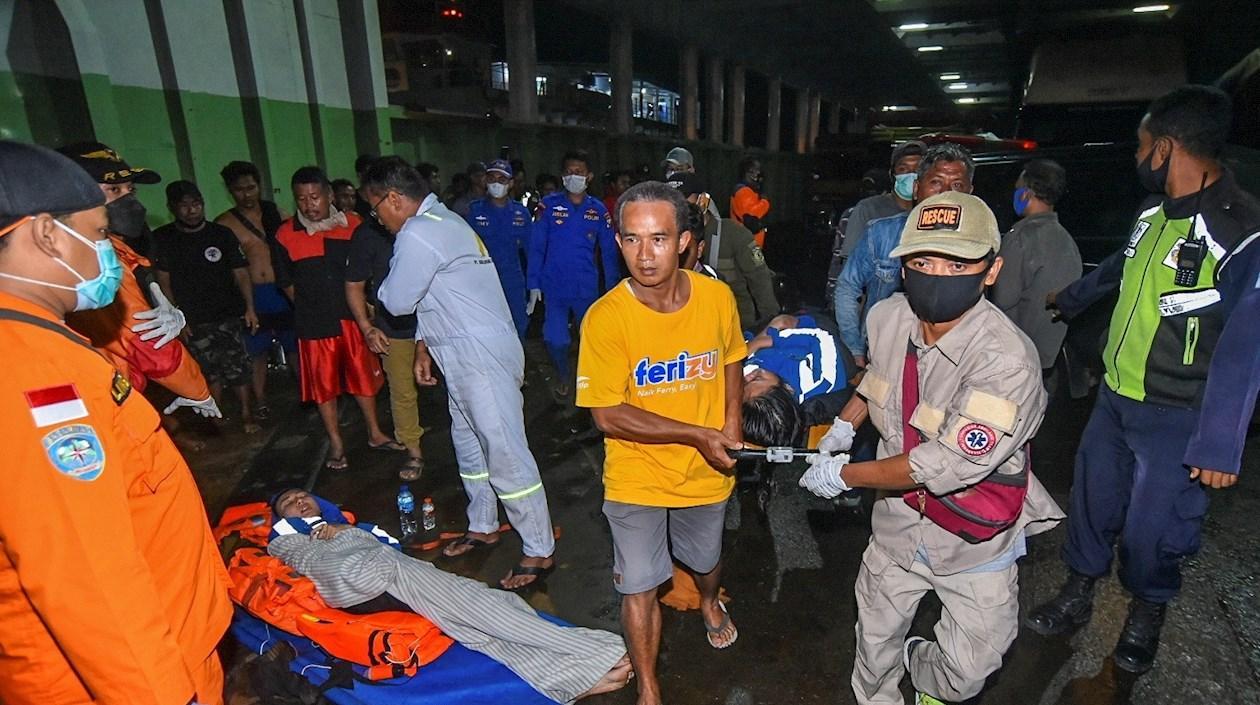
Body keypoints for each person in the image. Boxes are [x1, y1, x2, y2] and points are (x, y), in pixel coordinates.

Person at [1027, 85, 1260, 674]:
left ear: (1165, 148)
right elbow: (1117, 270)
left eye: (1140, 146)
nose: (1137, 158)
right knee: (1091, 505)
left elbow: (1247, 342)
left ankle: (1147, 610)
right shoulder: (1151, 216)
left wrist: (1220, 443)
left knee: (1153, 532)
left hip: (1179, 414)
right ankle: (1079, 590)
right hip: (1115, 400)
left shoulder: (1242, 231)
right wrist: (1068, 297)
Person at [801, 191, 1063, 705]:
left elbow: (943, 462)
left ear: (990, 271)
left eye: (957, 262)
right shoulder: (888, 318)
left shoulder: (1006, 360)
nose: (937, 274)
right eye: (922, 260)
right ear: (902, 267)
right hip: (897, 527)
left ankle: (926, 672)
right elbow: (876, 382)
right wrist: (843, 429)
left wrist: (845, 475)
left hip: (973, 541)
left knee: (971, 667)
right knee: (873, 650)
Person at [0, 140, 232, 705]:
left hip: (162, 641)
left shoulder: (47, 340)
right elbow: (86, 579)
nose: (109, 251)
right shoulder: (34, 375)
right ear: (47, 234)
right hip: (137, 673)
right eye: (100, 233)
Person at [576, 181, 746, 705]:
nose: (644, 255)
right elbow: (606, 415)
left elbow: (732, 357)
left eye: (658, 239)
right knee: (639, 584)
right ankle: (649, 686)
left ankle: (710, 600)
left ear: (686, 242)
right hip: (636, 473)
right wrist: (696, 432)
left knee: (706, 558)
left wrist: (732, 419)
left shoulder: (717, 297)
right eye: (631, 240)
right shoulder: (606, 318)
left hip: (706, 471)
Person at [369, 157, 557, 590]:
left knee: (504, 451)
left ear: (394, 198)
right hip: (464, 350)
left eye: (376, 208)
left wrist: (380, 292)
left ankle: (539, 548)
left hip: (478, 354)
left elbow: (397, 300)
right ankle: (483, 524)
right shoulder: (445, 221)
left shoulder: (420, 230)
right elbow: (442, 294)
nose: (377, 218)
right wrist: (424, 346)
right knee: (470, 447)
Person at [268, 488, 631, 703]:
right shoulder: (289, 538)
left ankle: (570, 679)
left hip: (382, 572)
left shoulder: (343, 526)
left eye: (304, 496)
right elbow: (307, 558)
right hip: (361, 575)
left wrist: (345, 531)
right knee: (481, 606)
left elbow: (386, 545)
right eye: (289, 502)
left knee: (478, 620)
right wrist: (337, 535)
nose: (300, 502)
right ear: (280, 518)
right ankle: (605, 651)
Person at [58, 142, 218, 420]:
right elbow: (146, 341)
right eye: (114, 190)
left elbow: (137, 265)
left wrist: (157, 293)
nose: (130, 201)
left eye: (130, 190)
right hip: (94, 399)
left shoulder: (106, 247)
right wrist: (197, 390)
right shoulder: (86, 259)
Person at [273, 166, 398, 471]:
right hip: (314, 324)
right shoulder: (286, 234)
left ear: (329, 195)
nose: (309, 205)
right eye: (301, 199)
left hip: (352, 319)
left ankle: (375, 433)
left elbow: (369, 270)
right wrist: (308, 305)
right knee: (323, 387)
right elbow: (286, 282)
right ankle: (337, 445)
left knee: (363, 378)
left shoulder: (353, 225)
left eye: (315, 197)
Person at [835, 142, 975, 368]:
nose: (946, 193)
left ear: (970, 191)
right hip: (883, 354)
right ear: (917, 188)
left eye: (957, 185)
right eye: (936, 182)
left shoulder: (979, 242)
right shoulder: (882, 233)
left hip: (950, 360)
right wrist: (854, 348)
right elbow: (847, 287)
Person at [153, 180, 260, 432]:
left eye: (196, 204)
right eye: (185, 205)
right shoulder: (165, 239)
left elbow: (241, 273)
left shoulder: (220, 234)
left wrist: (250, 307)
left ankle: (246, 414)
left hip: (228, 313)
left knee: (237, 367)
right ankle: (215, 417)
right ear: (172, 208)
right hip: (193, 318)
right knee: (207, 370)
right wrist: (177, 319)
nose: (192, 210)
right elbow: (163, 283)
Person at [344, 182, 426, 480]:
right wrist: (367, 328)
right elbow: (354, 284)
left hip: (440, 323)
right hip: (397, 328)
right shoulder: (367, 235)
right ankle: (413, 450)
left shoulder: (426, 228)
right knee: (403, 390)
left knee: (459, 387)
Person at [527, 150, 620, 399]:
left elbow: (609, 253)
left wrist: (613, 290)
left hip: (586, 288)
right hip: (554, 287)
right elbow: (536, 246)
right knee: (555, 339)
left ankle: (590, 379)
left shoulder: (599, 210)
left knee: (591, 339)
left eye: (579, 173)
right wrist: (533, 283)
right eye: (568, 172)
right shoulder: (548, 206)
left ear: (589, 177)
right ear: (562, 176)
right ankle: (563, 373)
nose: (573, 177)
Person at [214, 160, 295, 419]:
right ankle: (260, 401)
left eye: (251, 188)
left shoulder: (276, 213)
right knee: (256, 352)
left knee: (295, 346)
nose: (247, 194)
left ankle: (309, 393)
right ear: (230, 190)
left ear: (259, 186)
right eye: (240, 190)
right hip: (254, 294)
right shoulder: (225, 224)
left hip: (282, 290)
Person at [990, 159, 1082, 379]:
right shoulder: (1066, 240)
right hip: (1045, 361)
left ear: (1026, 194)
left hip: (1011, 358)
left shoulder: (1022, 238)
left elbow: (1001, 298)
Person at [672, 173, 778, 330]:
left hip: (737, 327)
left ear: (703, 200)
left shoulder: (733, 234)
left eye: (683, 199)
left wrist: (771, 327)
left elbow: (760, 281)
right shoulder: (666, 239)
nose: (677, 207)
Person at [827, 142, 925, 303]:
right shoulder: (868, 209)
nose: (911, 175)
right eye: (903, 169)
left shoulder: (931, 211)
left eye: (917, 170)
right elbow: (851, 274)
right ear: (892, 174)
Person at [741, 313, 857, 447]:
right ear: (785, 389)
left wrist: (753, 344)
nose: (749, 376)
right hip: (810, 328)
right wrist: (767, 340)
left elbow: (739, 354)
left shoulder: (749, 386)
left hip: (770, 338)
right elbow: (819, 338)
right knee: (782, 321)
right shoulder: (820, 382)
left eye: (745, 384)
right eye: (758, 378)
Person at [467, 159, 532, 337]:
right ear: (485, 181)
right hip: (484, 280)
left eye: (502, 180)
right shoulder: (474, 211)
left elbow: (531, 252)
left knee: (519, 325)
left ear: (511, 183)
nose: (496, 183)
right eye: (492, 178)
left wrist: (534, 285)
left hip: (513, 280)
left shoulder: (521, 213)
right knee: (488, 329)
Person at [730, 156, 770, 248]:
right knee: (757, 262)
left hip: (749, 243)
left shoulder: (748, 190)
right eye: (757, 170)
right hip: (747, 244)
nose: (760, 174)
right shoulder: (743, 191)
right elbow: (752, 214)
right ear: (750, 172)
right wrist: (765, 202)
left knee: (757, 262)